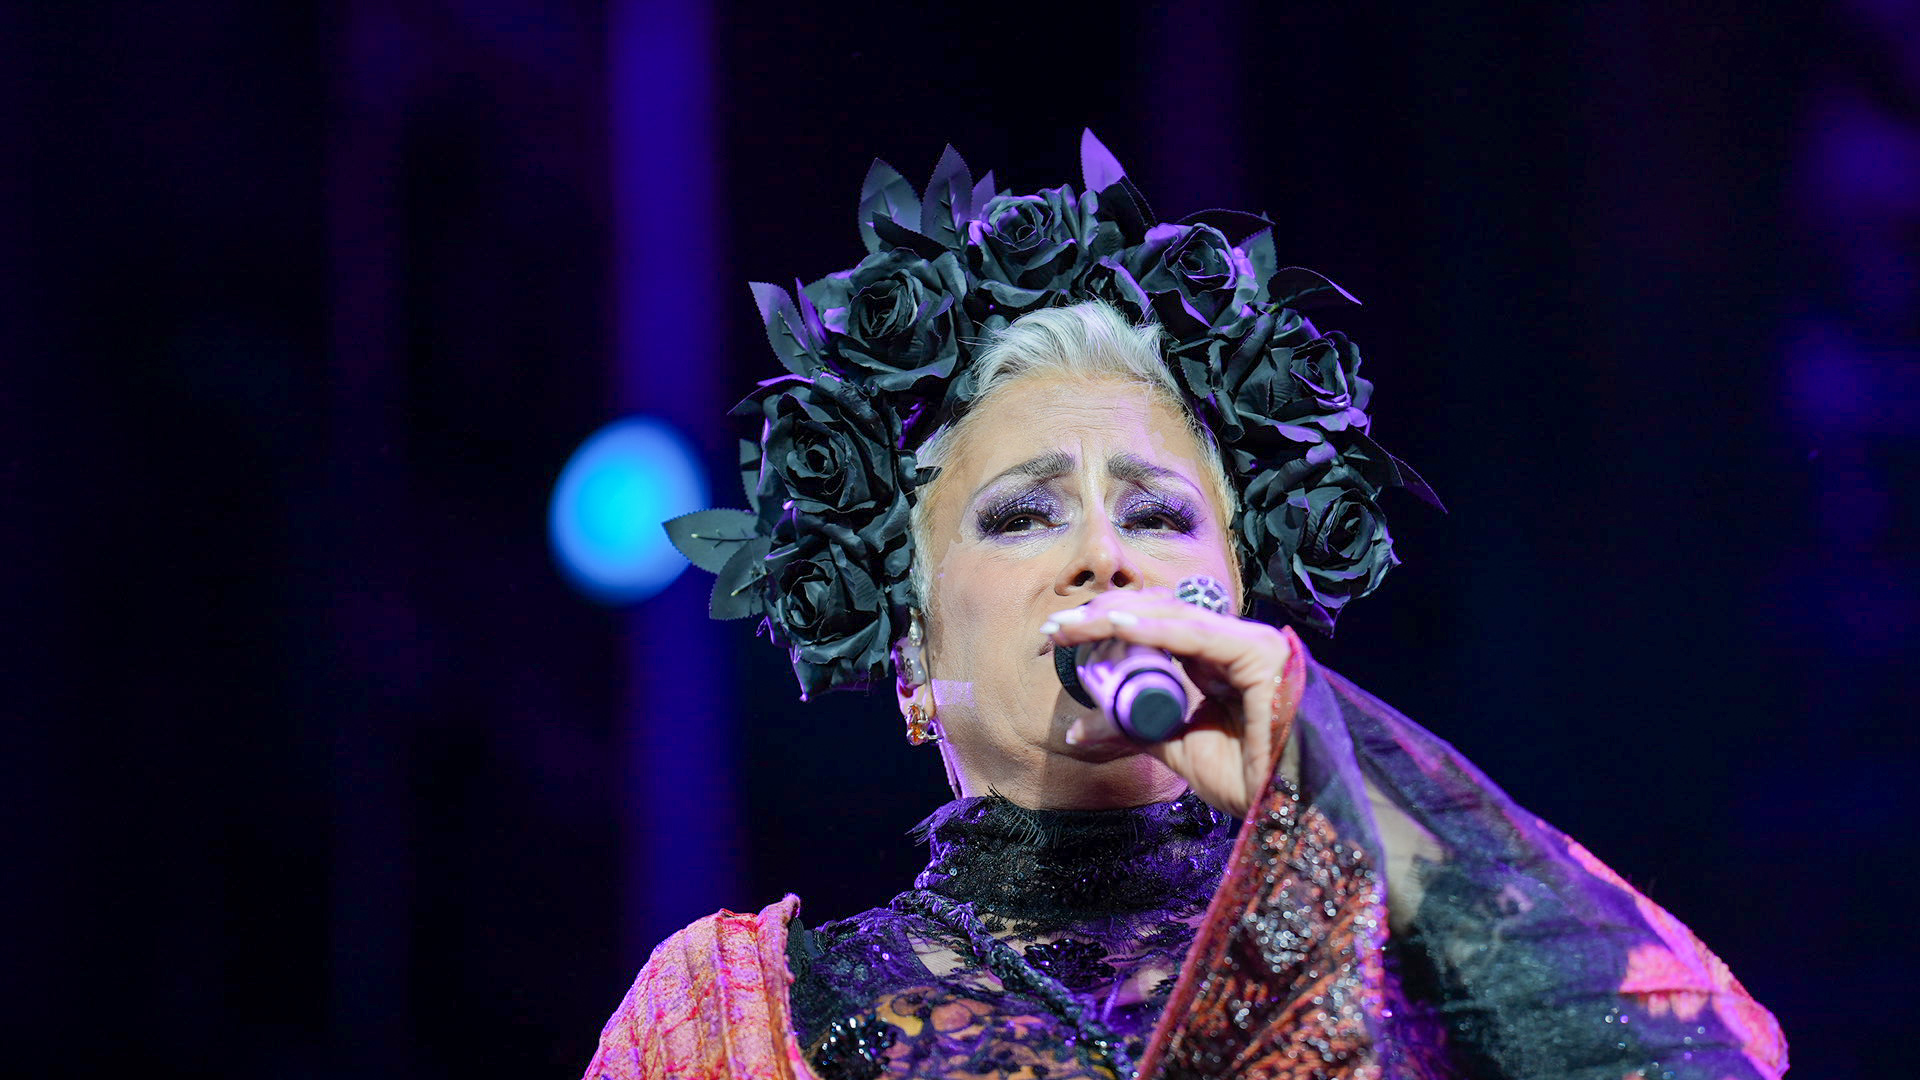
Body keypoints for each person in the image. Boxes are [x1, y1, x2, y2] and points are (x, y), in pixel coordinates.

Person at [578, 133, 1787, 1079]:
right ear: (910, 655)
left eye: (1158, 515)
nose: (1105, 555)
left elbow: (1709, 1058)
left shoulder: (1410, 969)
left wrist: (1332, 770)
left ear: (1240, 610)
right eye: (1022, 514)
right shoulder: (743, 1013)